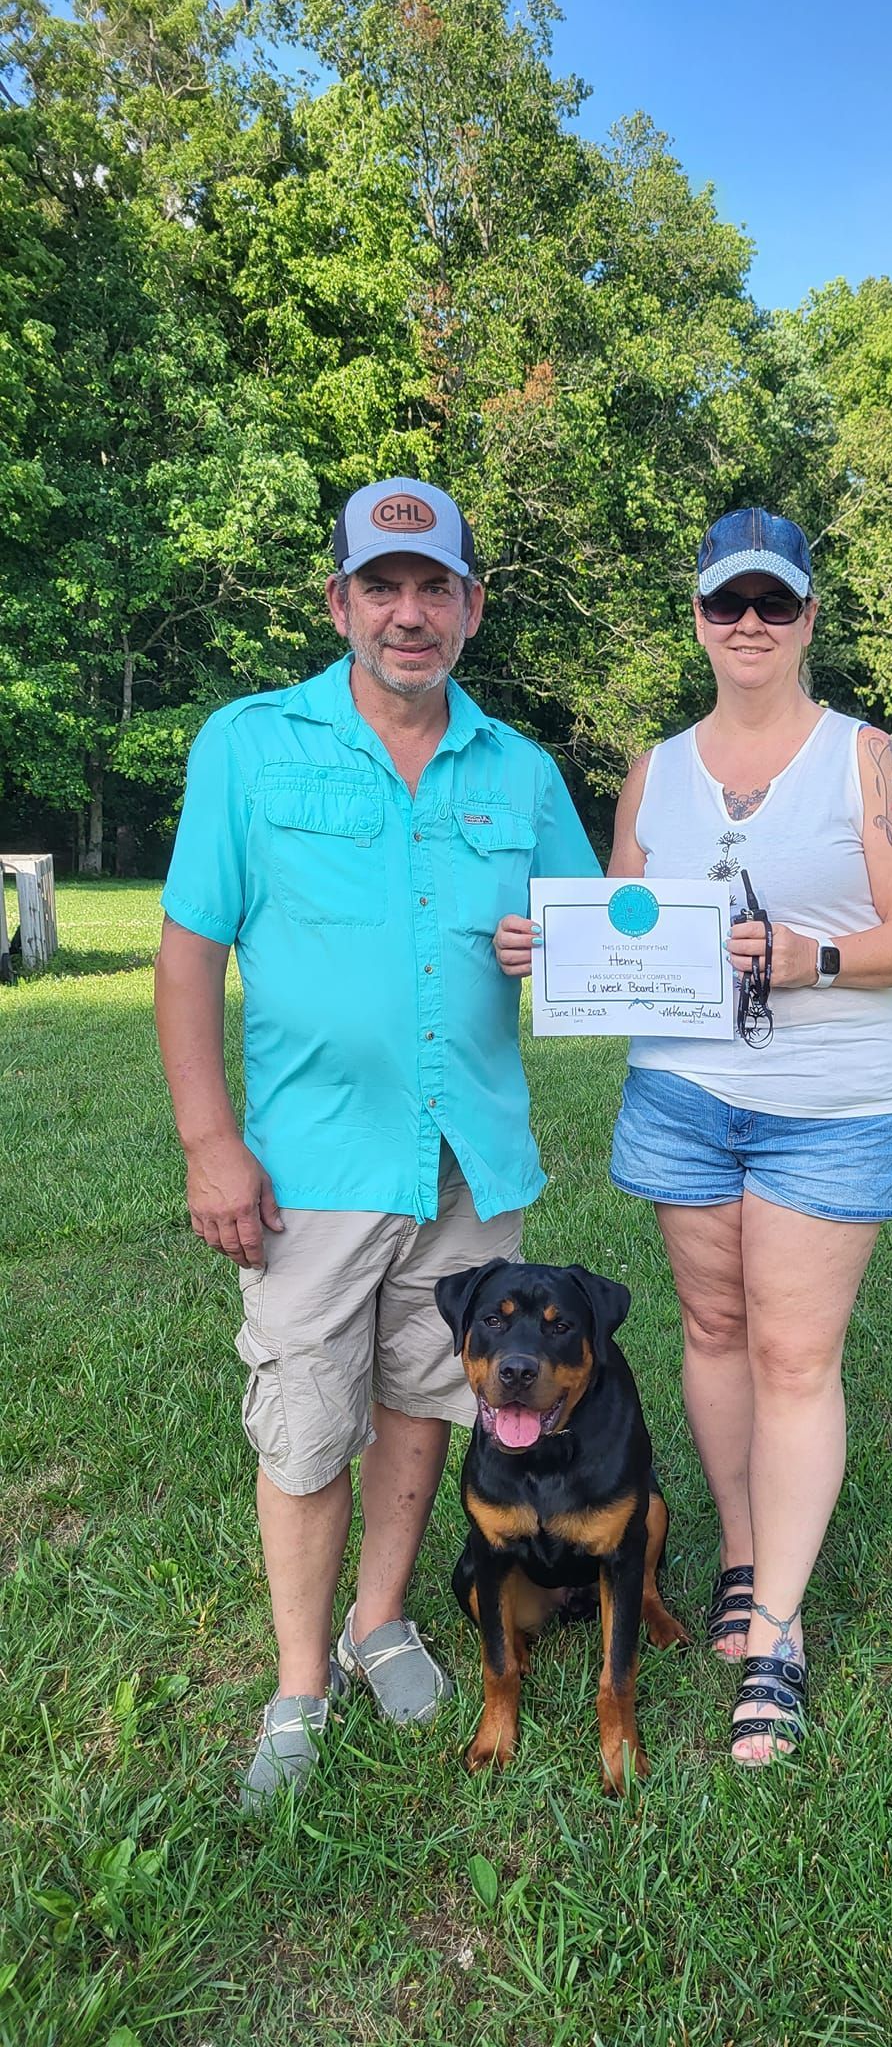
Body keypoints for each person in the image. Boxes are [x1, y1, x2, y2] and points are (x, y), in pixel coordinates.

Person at [155, 478, 596, 1806]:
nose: (410, 613)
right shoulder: (248, 745)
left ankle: (380, 1621)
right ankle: (299, 1686)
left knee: (427, 1398)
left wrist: (556, 944)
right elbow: (188, 954)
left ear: (471, 606)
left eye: (435, 588)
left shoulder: (519, 770)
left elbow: (602, 933)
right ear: (341, 601)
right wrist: (207, 1140)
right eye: (383, 587)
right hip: (311, 1171)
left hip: (470, 1168)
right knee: (303, 1425)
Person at [602, 507, 892, 1764]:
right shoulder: (655, 769)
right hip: (683, 1098)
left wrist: (813, 957)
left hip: (828, 1107)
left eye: (772, 602)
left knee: (797, 1359)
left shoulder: (865, 761)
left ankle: (780, 1637)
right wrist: (567, 947)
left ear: (809, 616)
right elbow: (626, 924)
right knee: (714, 1329)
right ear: (698, 619)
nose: (747, 623)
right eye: (724, 604)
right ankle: (746, 1555)